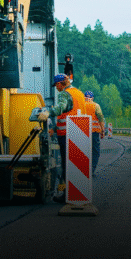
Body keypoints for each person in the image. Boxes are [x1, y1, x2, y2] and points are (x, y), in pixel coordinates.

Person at [36, 73, 86, 203]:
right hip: (80, 133)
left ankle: (67, 196)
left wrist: (48, 113)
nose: (56, 88)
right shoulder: (79, 93)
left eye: (56, 86)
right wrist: (55, 129)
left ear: (59, 84)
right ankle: (78, 193)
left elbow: (62, 108)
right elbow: (73, 112)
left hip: (67, 135)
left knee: (66, 165)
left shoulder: (65, 93)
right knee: (77, 165)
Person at [84, 91, 105, 176]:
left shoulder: (81, 105)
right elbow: (100, 118)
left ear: (84, 97)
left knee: (84, 151)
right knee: (95, 152)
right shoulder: (96, 106)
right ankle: (91, 170)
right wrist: (102, 130)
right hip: (94, 132)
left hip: (83, 132)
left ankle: (83, 169)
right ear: (92, 98)